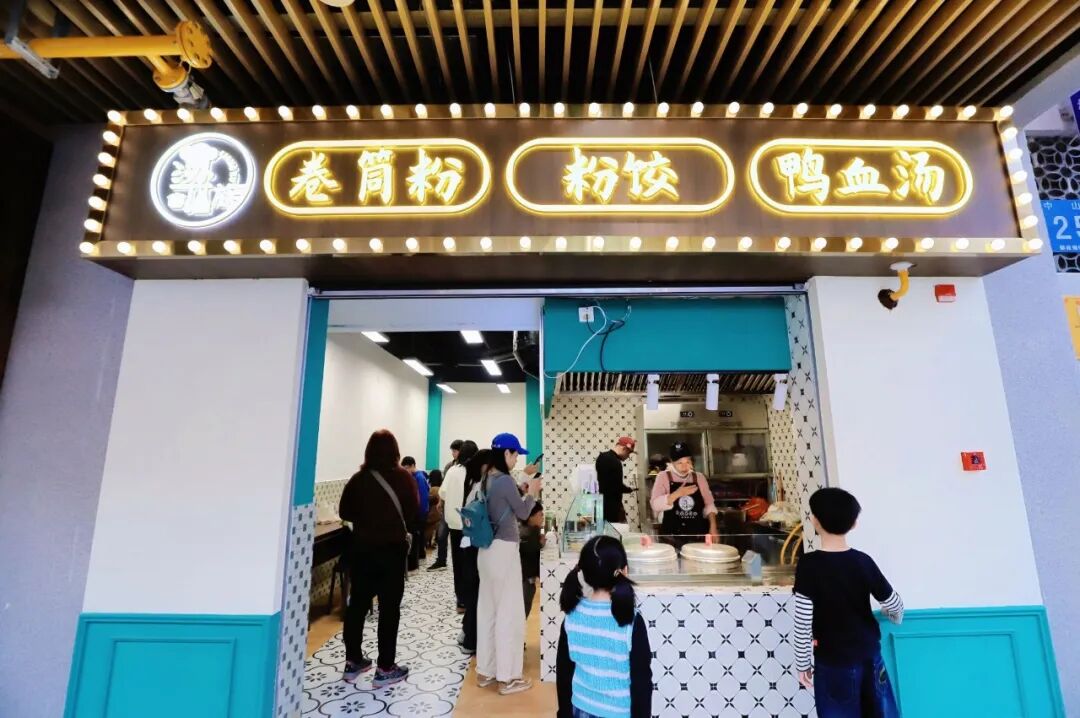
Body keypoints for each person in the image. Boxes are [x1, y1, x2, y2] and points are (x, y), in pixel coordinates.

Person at [794, 488, 904, 718]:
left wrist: (803, 664)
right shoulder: (863, 561)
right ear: (854, 524)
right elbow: (894, 605)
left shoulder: (808, 565)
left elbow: (802, 621)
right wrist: (893, 617)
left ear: (815, 521)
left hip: (832, 660)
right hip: (870, 656)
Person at [338, 429, 418, 688]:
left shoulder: (358, 480)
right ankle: (385, 667)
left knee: (357, 606)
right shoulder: (404, 478)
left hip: (362, 551)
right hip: (392, 552)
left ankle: (353, 661)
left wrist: (367, 519)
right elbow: (413, 512)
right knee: (389, 609)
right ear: (395, 452)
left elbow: (344, 511)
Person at [557, 535, 652, 718]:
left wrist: (564, 713)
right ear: (624, 571)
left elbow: (564, 674)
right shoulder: (632, 622)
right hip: (618, 713)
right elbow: (641, 682)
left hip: (580, 709)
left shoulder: (571, 617)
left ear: (583, 573)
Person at [476, 432, 541, 695]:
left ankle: (487, 671)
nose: (516, 460)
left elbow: (503, 504)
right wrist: (532, 493)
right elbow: (523, 512)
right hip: (504, 551)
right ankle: (508, 678)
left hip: (486, 551)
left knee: (488, 611)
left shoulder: (486, 478)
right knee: (509, 614)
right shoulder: (504, 480)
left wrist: (521, 490)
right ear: (506, 453)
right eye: (515, 455)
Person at [649, 442, 718, 546]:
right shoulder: (663, 477)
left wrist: (713, 527)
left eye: (687, 462)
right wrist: (677, 494)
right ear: (672, 462)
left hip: (698, 535)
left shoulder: (699, 477)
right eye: (680, 463)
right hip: (671, 536)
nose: (684, 466)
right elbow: (655, 505)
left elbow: (709, 504)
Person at [459, 448, 493, 655]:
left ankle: (466, 633)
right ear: (484, 466)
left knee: (474, 592)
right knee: (477, 594)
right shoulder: (481, 487)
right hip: (476, 546)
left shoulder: (472, 484)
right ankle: (471, 640)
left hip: (469, 544)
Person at [439, 439, 479, 607]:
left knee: (458, 562)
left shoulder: (452, 470)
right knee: (472, 562)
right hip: (472, 525)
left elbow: (442, 493)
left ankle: (461, 599)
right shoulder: (476, 473)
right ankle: (473, 597)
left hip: (454, 524)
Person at [430, 440, 465, 570]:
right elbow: (444, 486)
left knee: (459, 536)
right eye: (452, 451)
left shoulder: (467, 468)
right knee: (441, 534)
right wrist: (441, 501)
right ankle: (441, 560)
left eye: (455, 451)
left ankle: (461, 562)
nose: (453, 454)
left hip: (461, 507)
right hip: (448, 506)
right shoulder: (449, 466)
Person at [595, 437, 638, 532]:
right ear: (624, 448)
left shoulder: (601, 457)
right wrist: (629, 489)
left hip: (601, 504)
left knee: (604, 534)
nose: (628, 456)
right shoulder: (615, 462)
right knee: (617, 534)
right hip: (613, 507)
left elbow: (608, 483)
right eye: (629, 453)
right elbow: (617, 486)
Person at [401, 457, 430, 571]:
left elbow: (423, 497)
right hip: (418, 512)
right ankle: (420, 556)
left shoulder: (419, 477)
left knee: (417, 537)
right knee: (418, 536)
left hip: (420, 512)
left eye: (407, 468)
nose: (405, 470)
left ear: (413, 465)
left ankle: (418, 559)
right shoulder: (414, 476)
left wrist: (420, 513)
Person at [520, 501, 545, 619]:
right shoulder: (531, 532)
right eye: (540, 514)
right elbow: (531, 549)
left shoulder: (524, 530)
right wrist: (540, 544)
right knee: (523, 611)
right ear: (531, 517)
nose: (542, 517)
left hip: (526, 580)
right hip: (525, 581)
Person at [425, 469, 443, 549]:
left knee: (429, 529)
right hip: (438, 512)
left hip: (430, 512)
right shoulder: (441, 489)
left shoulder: (430, 488)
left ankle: (428, 542)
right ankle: (434, 542)